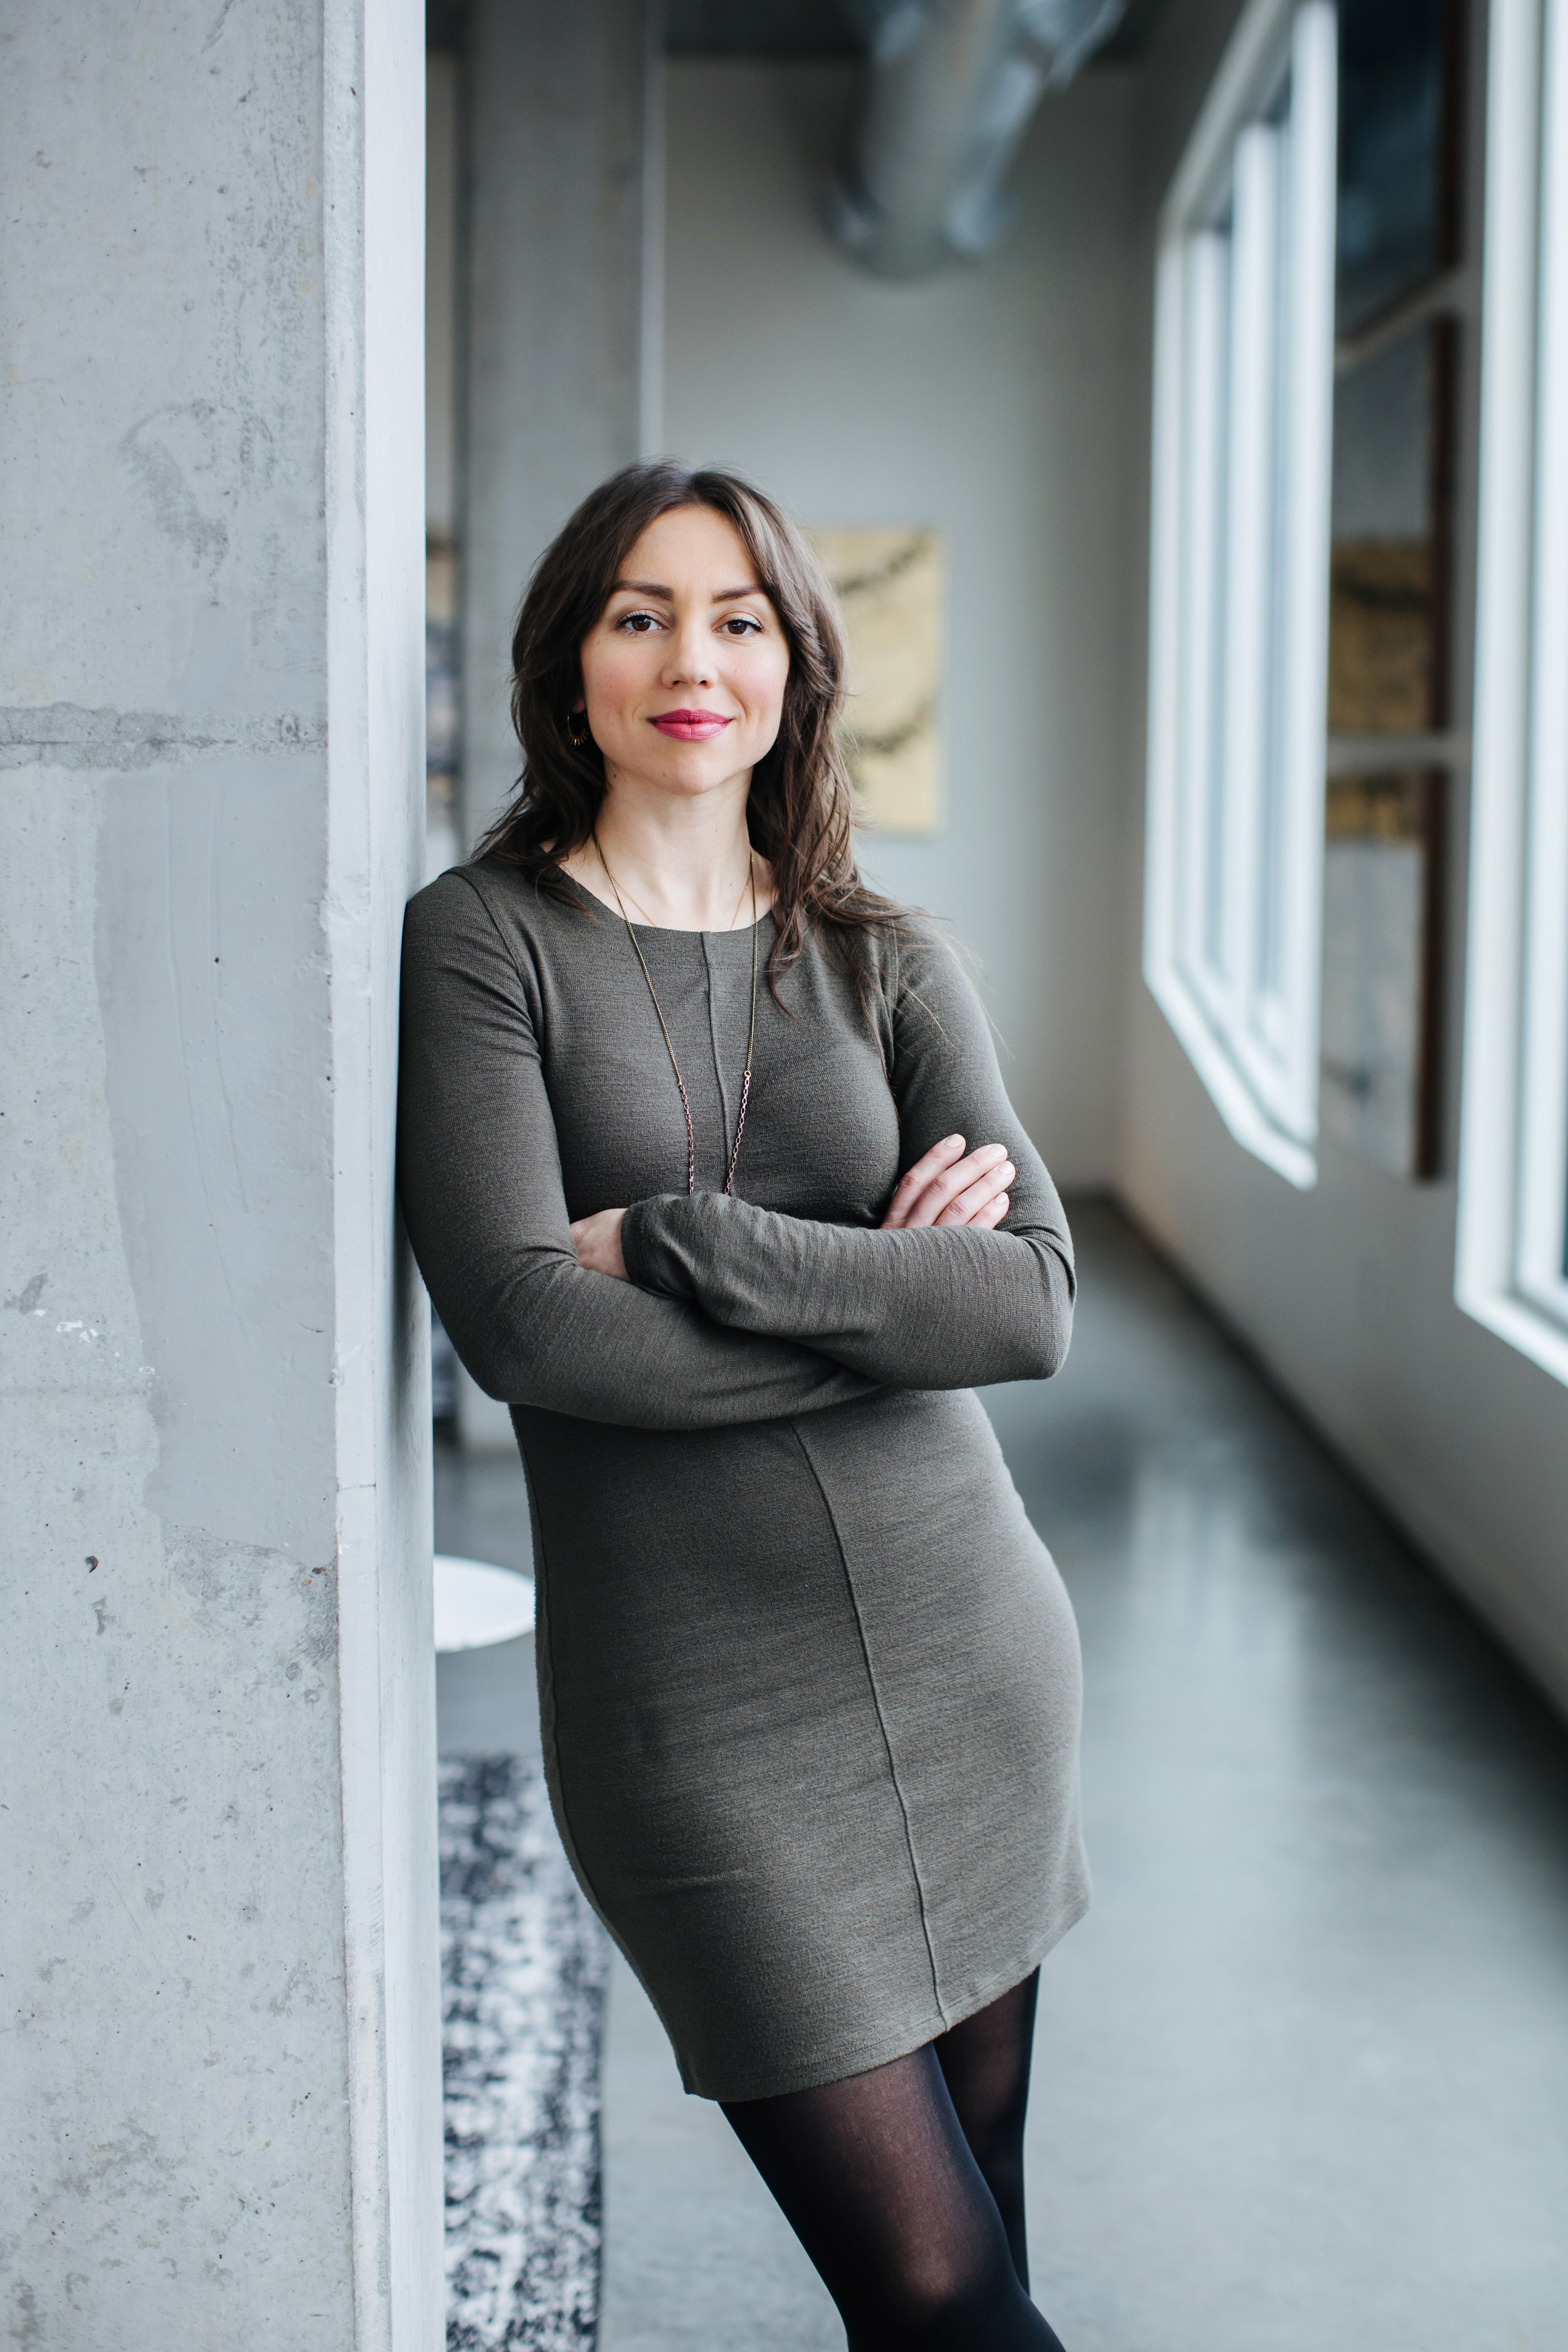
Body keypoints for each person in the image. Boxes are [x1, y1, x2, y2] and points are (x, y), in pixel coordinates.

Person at [398, 462, 1089, 2349]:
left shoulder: (886, 956)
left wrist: (697, 1242)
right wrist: (887, 1293)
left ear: (794, 662)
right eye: (638, 613)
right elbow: (525, 1329)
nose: (688, 659)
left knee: (971, 2249)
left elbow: (1026, 1309)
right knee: (940, 2287)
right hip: (693, 1713)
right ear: (570, 662)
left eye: (735, 617)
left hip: (969, 1658)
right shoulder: (479, 941)